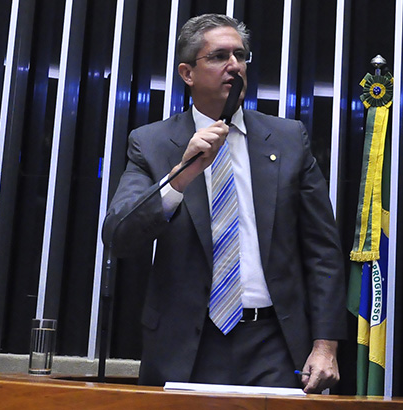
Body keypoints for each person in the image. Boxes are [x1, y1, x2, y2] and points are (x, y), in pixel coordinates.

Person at [102, 13, 347, 394]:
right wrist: (180, 176)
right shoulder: (151, 144)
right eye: (218, 57)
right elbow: (119, 236)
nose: (235, 66)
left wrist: (325, 344)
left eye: (241, 55)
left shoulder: (287, 139)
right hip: (187, 343)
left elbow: (323, 251)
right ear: (187, 73)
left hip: (275, 342)